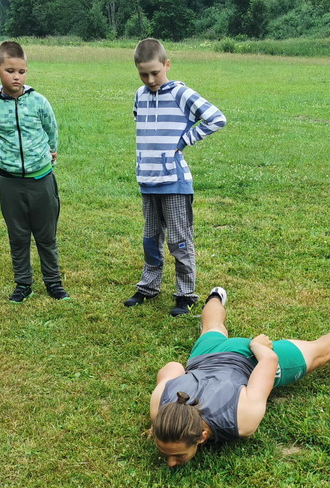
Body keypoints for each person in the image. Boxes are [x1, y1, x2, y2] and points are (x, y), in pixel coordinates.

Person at [149, 287, 330, 467]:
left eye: (177, 455)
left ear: (202, 437)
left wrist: (258, 346)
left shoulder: (241, 419)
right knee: (212, 326)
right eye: (166, 453)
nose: (170, 462)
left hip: (250, 357)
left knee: (323, 350)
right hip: (208, 356)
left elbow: (269, 361)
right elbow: (172, 367)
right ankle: (215, 296)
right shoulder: (160, 406)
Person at [124, 38, 226, 317]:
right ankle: (148, 287)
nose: (150, 80)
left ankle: (185, 294)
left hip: (174, 184)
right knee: (150, 238)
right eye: (143, 74)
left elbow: (216, 118)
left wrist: (184, 140)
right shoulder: (140, 95)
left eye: (155, 73)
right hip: (148, 182)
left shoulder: (181, 93)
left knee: (179, 241)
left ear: (167, 65)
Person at [0, 40, 68, 303]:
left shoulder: (39, 102)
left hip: (41, 180)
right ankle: (23, 284)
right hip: (10, 183)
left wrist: (50, 153)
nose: (16, 77)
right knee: (18, 236)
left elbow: (51, 130)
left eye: (21, 71)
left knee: (46, 235)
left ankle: (53, 282)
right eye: (10, 71)